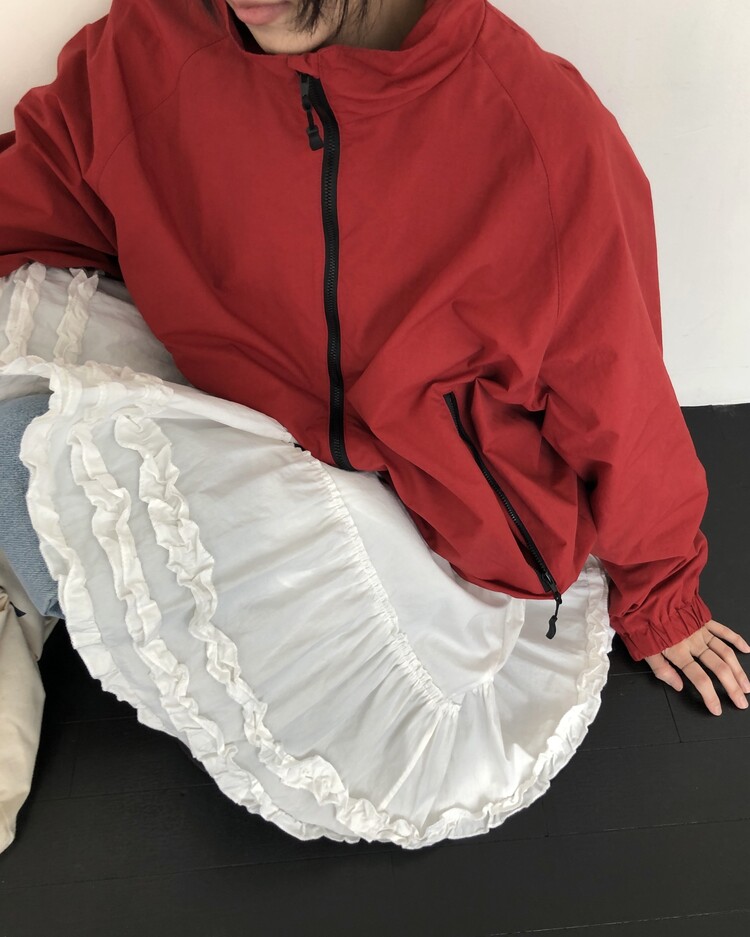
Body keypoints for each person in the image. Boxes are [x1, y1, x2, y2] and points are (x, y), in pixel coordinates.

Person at [0, 0, 748, 826]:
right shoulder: (152, 41)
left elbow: (619, 394)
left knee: (379, 726)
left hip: (441, 532)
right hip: (254, 424)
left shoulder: (539, 134)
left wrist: (662, 595)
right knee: (27, 397)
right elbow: (53, 175)